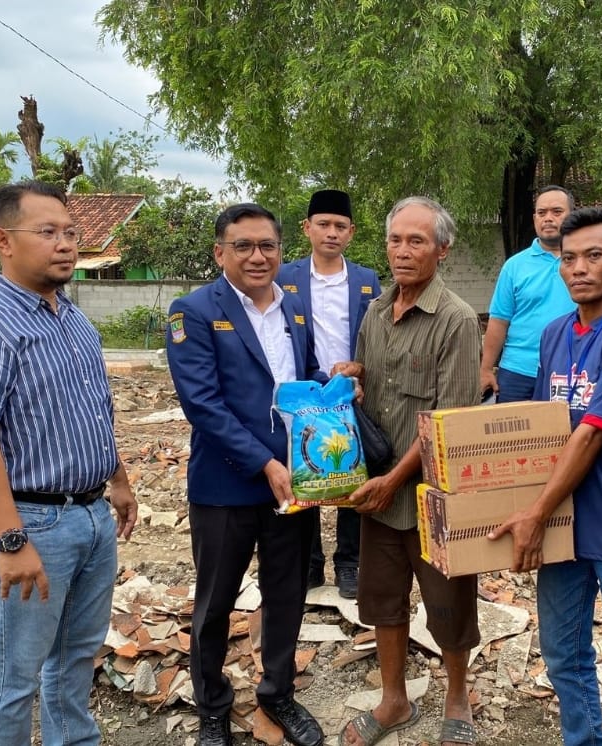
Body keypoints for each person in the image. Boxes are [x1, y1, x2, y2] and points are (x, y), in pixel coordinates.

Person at [0, 181, 138, 746]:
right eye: (47, 232)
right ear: (3, 240)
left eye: (70, 232)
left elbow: (94, 410)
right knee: (14, 676)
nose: (66, 244)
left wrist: (118, 481)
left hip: (90, 516)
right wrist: (9, 539)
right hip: (30, 521)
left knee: (75, 659)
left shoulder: (72, 319)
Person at [489, 207, 602, 746]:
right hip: (563, 526)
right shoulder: (554, 334)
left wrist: (534, 512)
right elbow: (542, 429)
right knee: (563, 655)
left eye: (594, 255)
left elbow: (592, 433)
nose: (579, 269)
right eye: (568, 259)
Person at [166, 203, 327, 746]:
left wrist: (333, 386)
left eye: (267, 246)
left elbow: (303, 375)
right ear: (220, 252)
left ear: (281, 250)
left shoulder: (293, 307)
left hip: (296, 482)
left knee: (287, 595)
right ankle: (212, 706)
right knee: (215, 603)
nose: (258, 256)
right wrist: (264, 462)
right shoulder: (192, 311)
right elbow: (203, 405)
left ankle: (278, 694)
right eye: (243, 246)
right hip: (226, 486)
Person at [335, 197, 482, 746]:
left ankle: (457, 697)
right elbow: (372, 389)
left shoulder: (456, 321)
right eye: (395, 240)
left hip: (432, 495)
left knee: (449, 602)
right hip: (377, 491)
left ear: (442, 250)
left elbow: (449, 421)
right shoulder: (375, 312)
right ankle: (394, 700)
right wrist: (354, 376)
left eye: (416, 241)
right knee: (382, 600)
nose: (402, 251)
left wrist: (394, 481)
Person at [277, 189, 381, 599]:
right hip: (303, 394)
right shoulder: (284, 277)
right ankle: (310, 563)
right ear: (307, 228)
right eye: (323, 224)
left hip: (349, 393)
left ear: (351, 232)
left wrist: (360, 375)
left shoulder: (366, 280)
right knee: (305, 473)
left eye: (340, 226)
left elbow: (374, 337)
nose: (331, 233)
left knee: (350, 472)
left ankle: (350, 564)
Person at [480, 186, 576, 402]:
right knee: (512, 426)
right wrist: (485, 369)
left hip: (571, 371)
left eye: (557, 212)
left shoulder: (583, 265)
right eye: (542, 213)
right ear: (534, 219)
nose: (548, 218)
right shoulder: (514, 267)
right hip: (517, 372)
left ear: (572, 215)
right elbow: (499, 321)